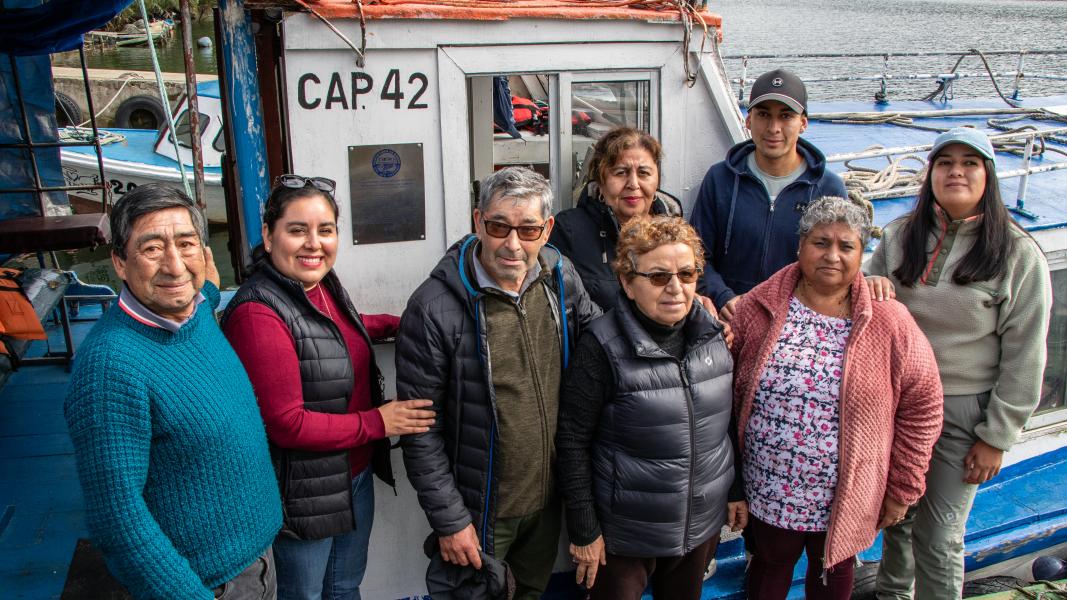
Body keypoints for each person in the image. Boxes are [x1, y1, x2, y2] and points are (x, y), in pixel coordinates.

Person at [220, 175, 435, 600]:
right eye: (297, 230)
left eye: (325, 230)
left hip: (350, 476)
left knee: (344, 587)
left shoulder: (319, 286)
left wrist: (403, 323)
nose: (313, 243)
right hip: (302, 495)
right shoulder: (257, 313)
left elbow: (332, 332)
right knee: (308, 595)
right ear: (268, 234)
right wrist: (379, 422)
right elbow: (287, 424)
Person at [64, 184, 282, 599]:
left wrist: (209, 286)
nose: (175, 265)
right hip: (207, 584)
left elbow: (204, 291)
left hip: (259, 559)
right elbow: (117, 518)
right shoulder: (109, 368)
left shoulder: (195, 310)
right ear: (119, 263)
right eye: (152, 249)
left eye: (186, 244)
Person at [396, 166, 601, 600]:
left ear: (546, 230)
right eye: (498, 226)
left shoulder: (560, 279)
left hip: (546, 504)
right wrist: (451, 520)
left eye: (528, 229)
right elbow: (420, 430)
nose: (512, 244)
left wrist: (686, 313)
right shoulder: (433, 308)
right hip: (481, 512)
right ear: (478, 222)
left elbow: (603, 345)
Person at [870, 128, 1053, 600]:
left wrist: (996, 437)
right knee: (897, 517)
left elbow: (1025, 354)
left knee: (939, 535)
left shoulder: (1016, 253)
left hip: (963, 412)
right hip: (899, 404)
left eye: (969, 163)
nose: (956, 171)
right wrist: (868, 286)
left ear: (987, 176)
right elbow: (863, 298)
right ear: (930, 173)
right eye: (945, 162)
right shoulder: (899, 237)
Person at [730, 196, 943, 599]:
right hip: (769, 484)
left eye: (846, 246)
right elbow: (726, 394)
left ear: (862, 254)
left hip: (847, 490)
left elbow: (924, 407)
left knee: (834, 571)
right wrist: (733, 487)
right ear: (800, 246)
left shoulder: (890, 321)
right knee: (769, 565)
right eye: (820, 242)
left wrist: (903, 487)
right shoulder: (758, 306)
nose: (832, 255)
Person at [556, 216, 742, 599]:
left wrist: (736, 489)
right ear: (627, 283)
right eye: (658, 277)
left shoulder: (713, 335)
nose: (675, 288)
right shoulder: (602, 347)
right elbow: (572, 441)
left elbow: (725, 420)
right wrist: (585, 529)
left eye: (686, 274)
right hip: (625, 536)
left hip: (698, 526)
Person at [691, 68, 847, 322]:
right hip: (728, 319)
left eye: (785, 116)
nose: (774, 128)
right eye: (764, 115)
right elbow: (696, 255)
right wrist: (723, 297)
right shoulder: (719, 180)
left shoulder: (828, 189)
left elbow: (835, 267)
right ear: (748, 120)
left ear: (803, 123)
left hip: (794, 324)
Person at [549, 127, 683, 311]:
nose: (633, 184)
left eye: (643, 173)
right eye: (620, 172)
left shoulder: (676, 229)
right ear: (601, 180)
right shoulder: (569, 230)